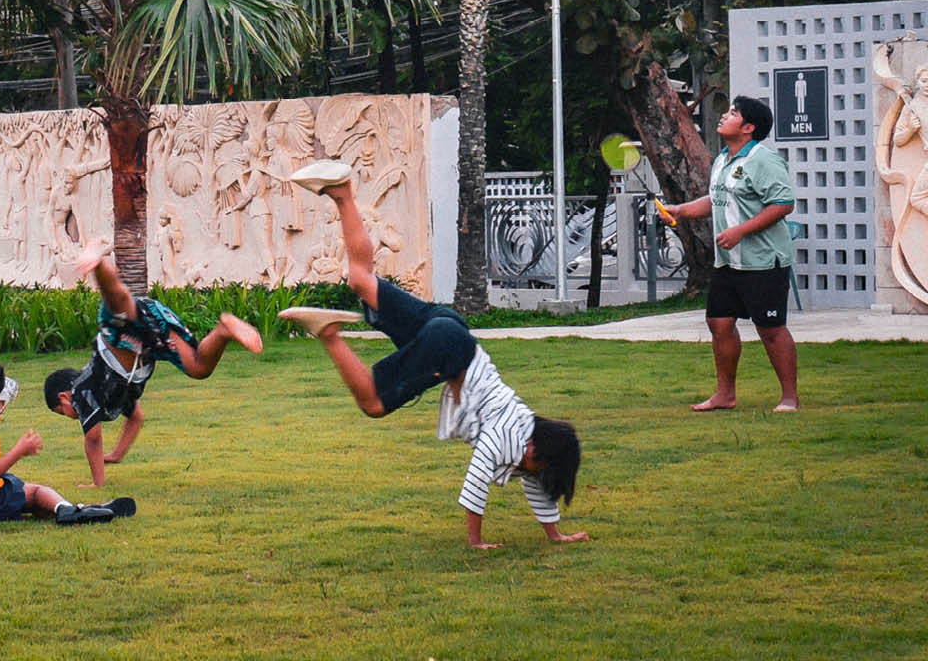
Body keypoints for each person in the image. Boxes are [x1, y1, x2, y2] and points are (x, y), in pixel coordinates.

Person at [280, 160, 588, 549]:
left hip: (451, 327)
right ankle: (329, 334)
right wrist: (476, 542)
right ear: (536, 451)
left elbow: (538, 490)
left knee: (361, 279)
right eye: (539, 466)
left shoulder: (528, 435)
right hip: (449, 350)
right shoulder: (511, 438)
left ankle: (341, 193)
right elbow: (477, 479)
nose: (532, 471)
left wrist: (556, 534)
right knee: (373, 404)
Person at [42, 246, 263, 487]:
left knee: (119, 301)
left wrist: (98, 484)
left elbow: (93, 440)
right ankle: (224, 330)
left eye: (60, 411)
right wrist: (117, 454)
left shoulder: (82, 392)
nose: (68, 415)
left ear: (64, 397)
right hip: (151, 341)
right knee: (198, 367)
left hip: (120, 333)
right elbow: (135, 418)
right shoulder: (112, 396)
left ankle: (98, 264)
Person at [656, 95, 800, 412]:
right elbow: (714, 200)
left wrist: (740, 231)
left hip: (763, 261)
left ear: (748, 128)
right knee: (719, 324)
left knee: (771, 329)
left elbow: (783, 204)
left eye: (732, 113)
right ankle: (725, 395)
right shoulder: (723, 159)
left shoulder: (764, 160)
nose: (724, 115)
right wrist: (679, 210)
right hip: (727, 263)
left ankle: (789, 397)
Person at [0, 360, 134, 526]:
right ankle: (70, 510)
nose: (3, 406)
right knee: (35, 492)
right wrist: (19, 451)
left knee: (23, 496)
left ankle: (80, 510)